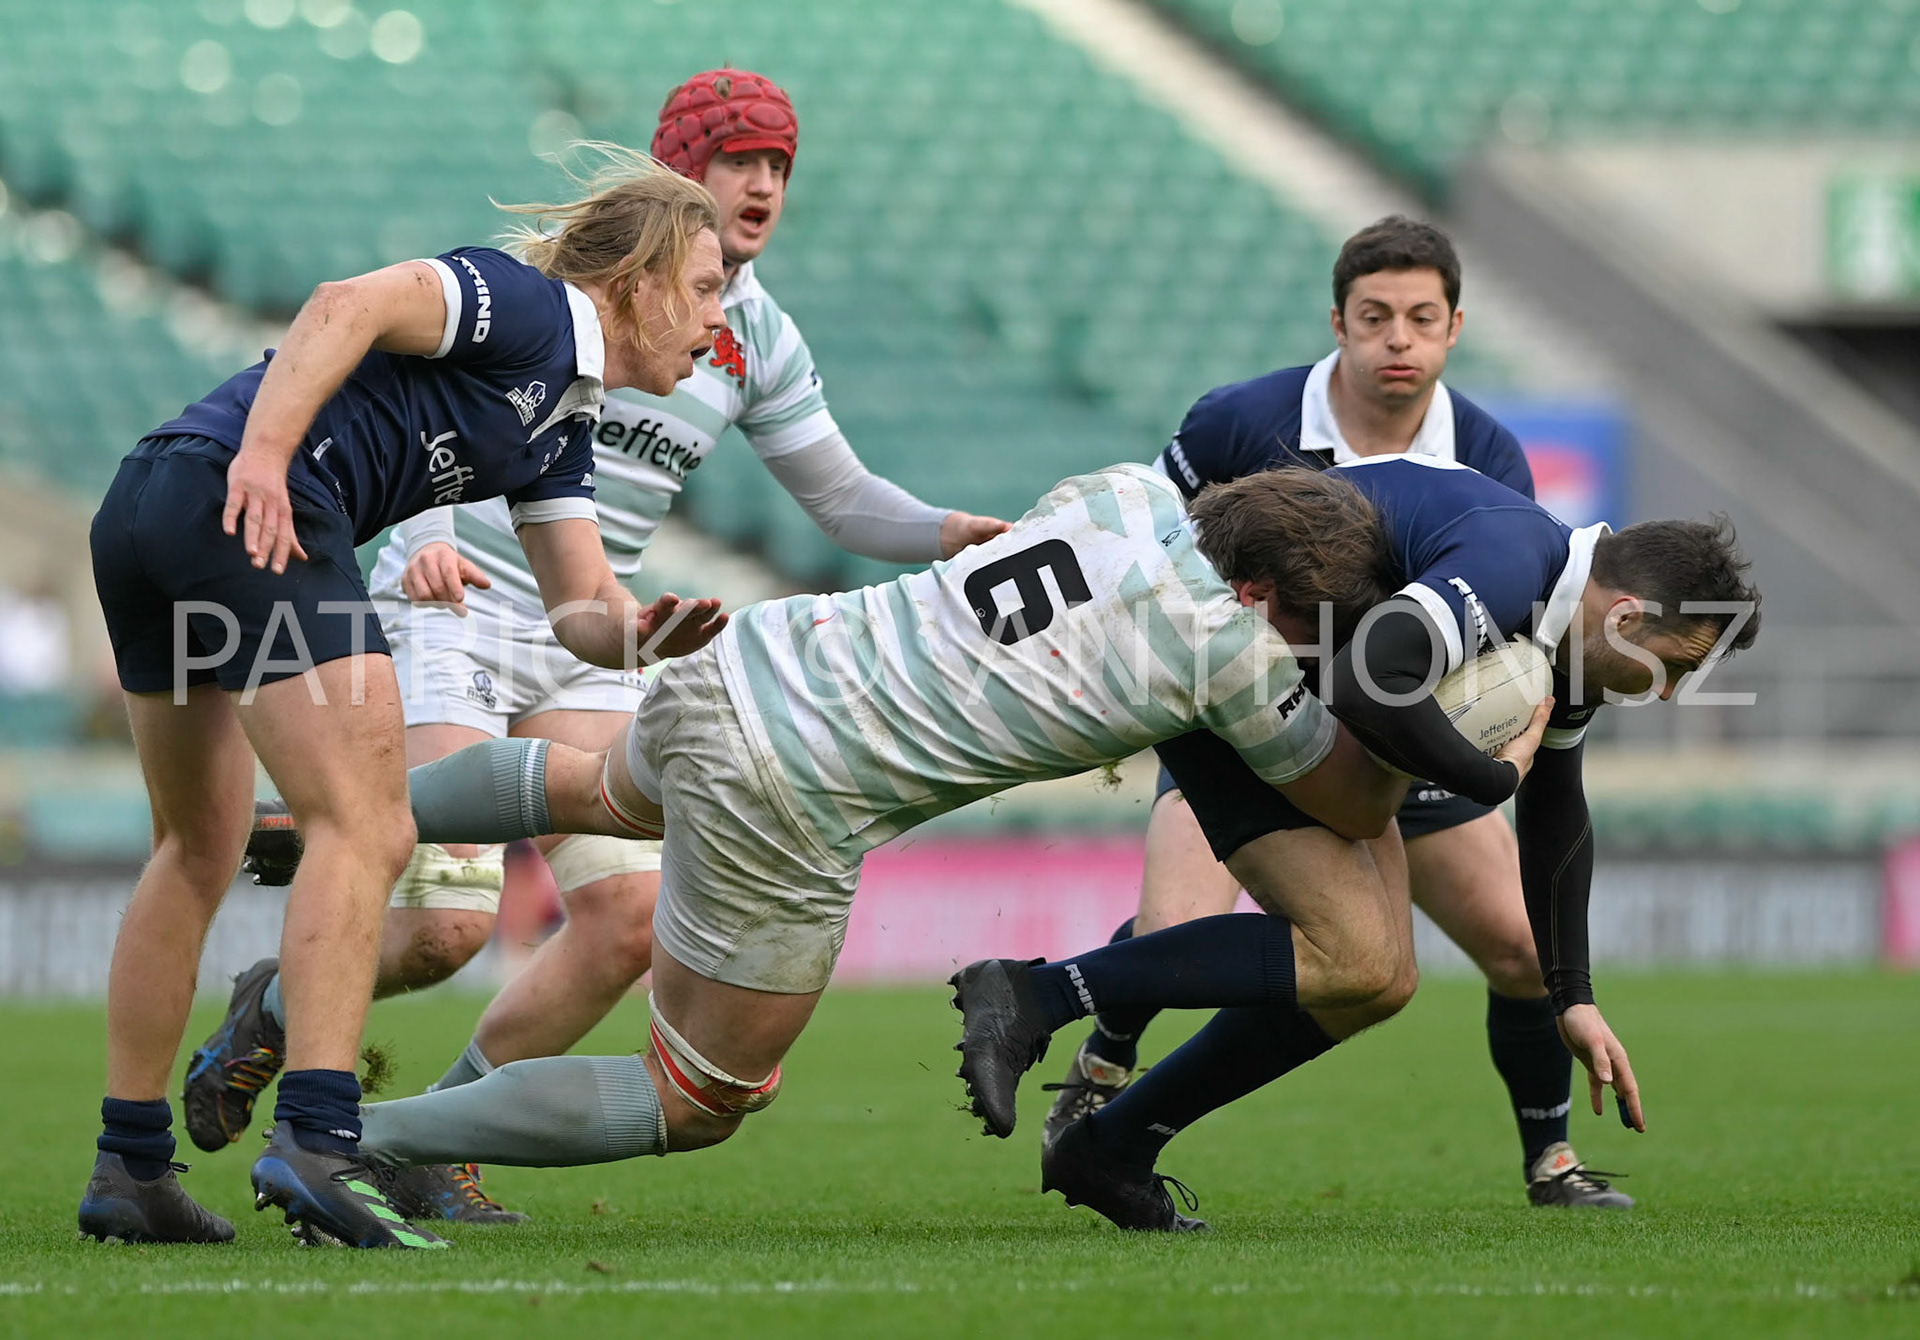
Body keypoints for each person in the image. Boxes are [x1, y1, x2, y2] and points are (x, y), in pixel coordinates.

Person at [182, 68, 1009, 1226]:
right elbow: (421, 395)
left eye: (780, 164)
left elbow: (842, 498)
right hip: (458, 600)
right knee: (443, 930)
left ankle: (434, 1134)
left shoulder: (756, 334)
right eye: (739, 161)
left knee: (627, 922)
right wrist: (417, 536)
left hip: (590, 627)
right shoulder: (551, 296)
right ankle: (278, 993)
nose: (764, 183)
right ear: (676, 172)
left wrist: (956, 536)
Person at [240, 465, 1552, 1194]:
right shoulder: (1227, 654)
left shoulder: (1115, 497)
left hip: (751, 660)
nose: (1304, 650)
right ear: (1260, 589)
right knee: (696, 1099)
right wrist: (1479, 747)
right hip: (797, 784)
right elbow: (1350, 800)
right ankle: (354, 1139)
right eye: (1301, 623)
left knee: (602, 793)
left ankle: (352, 823)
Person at [79, 146, 731, 1250]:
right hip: (250, 504)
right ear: (638, 282)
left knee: (196, 845)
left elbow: (577, 601)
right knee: (369, 823)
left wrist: (637, 634)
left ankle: (130, 1164)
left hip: (151, 507)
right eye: (706, 288)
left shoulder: (562, 419)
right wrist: (269, 456)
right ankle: (321, 1140)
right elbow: (348, 303)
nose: (719, 318)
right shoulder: (526, 305)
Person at [951, 454, 1760, 1231]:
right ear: (1625, 619)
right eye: (1674, 668)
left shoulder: (1559, 627)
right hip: (1224, 645)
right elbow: (1366, 675)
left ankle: (1112, 1140)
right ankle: (1040, 1001)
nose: (1668, 692)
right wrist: (1486, 780)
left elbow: (1557, 811)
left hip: (1277, 674)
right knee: (1354, 958)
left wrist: (1573, 996)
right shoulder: (1514, 558)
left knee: (1379, 978)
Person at [1042, 216, 1623, 1211]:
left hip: (1402, 741)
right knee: (1181, 929)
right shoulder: (1239, 422)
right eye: (1376, 317)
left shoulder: (1486, 452)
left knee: (1524, 946)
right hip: (1245, 727)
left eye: (1422, 318)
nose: (1399, 339)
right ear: (1338, 322)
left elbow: (1506, 637)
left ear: (1454, 327)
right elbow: (1152, 555)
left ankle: (1551, 1157)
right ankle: (1105, 1062)